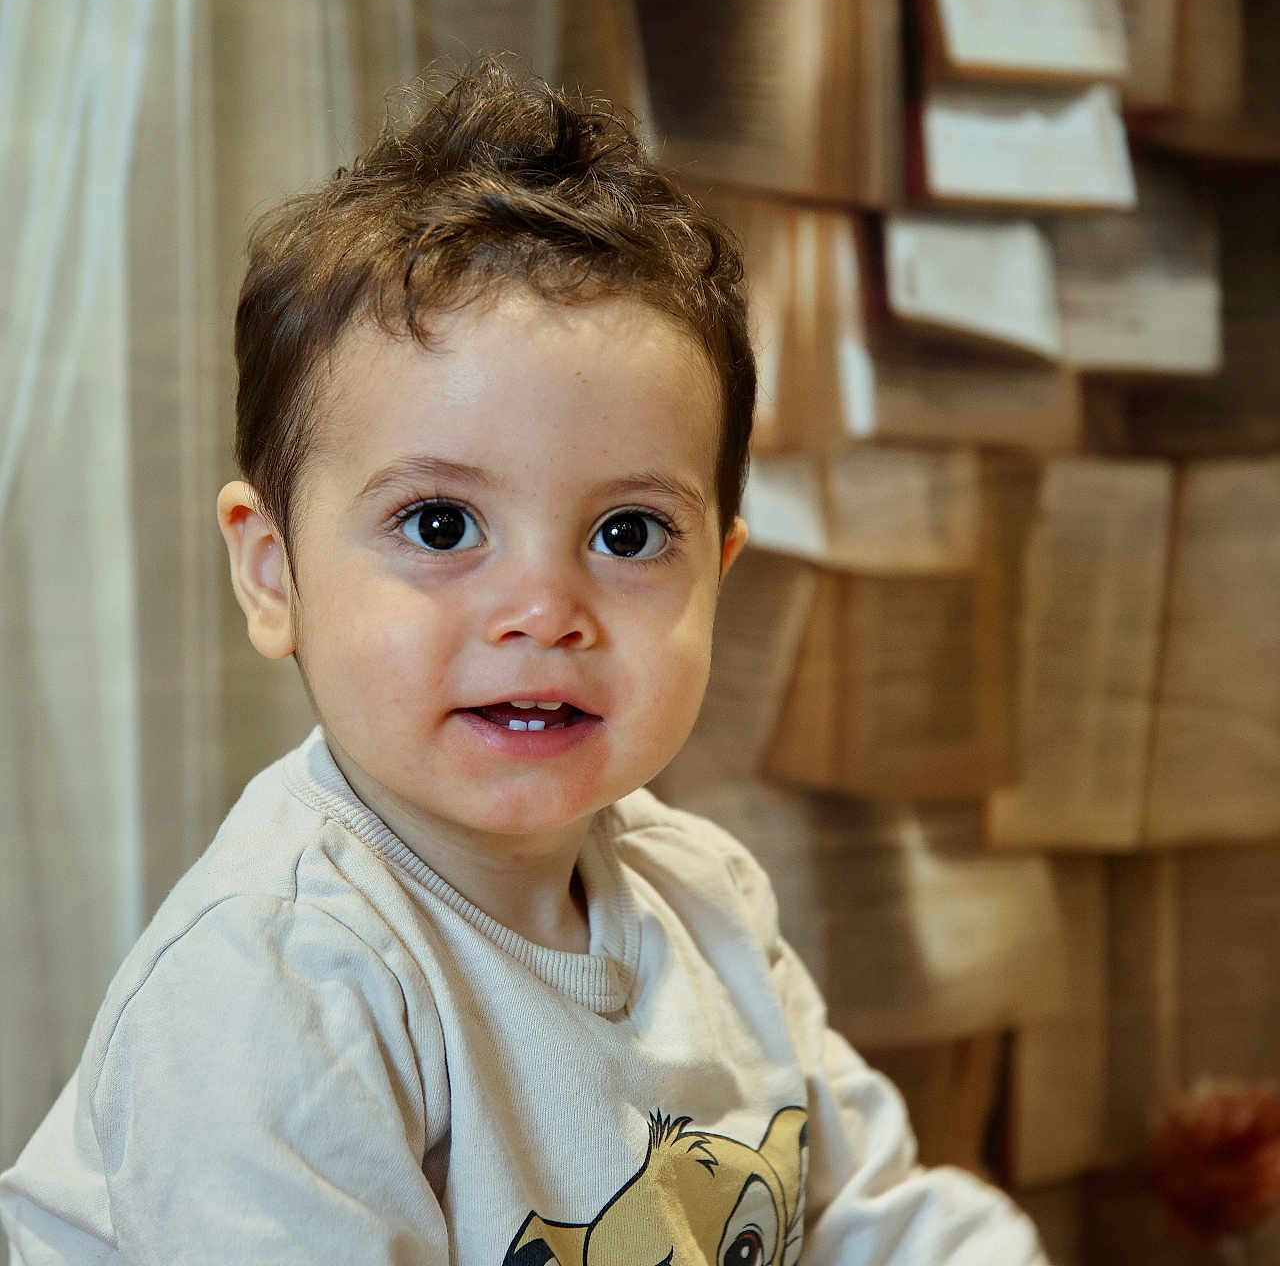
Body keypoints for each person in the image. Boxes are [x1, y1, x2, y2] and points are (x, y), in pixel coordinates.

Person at [0, 61, 1047, 1264]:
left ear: (719, 573)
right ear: (273, 573)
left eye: (628, 534)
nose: (544, 611)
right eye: (440, 523)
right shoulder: (278, 976)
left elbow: (875, 1217)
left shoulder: (704, 898)